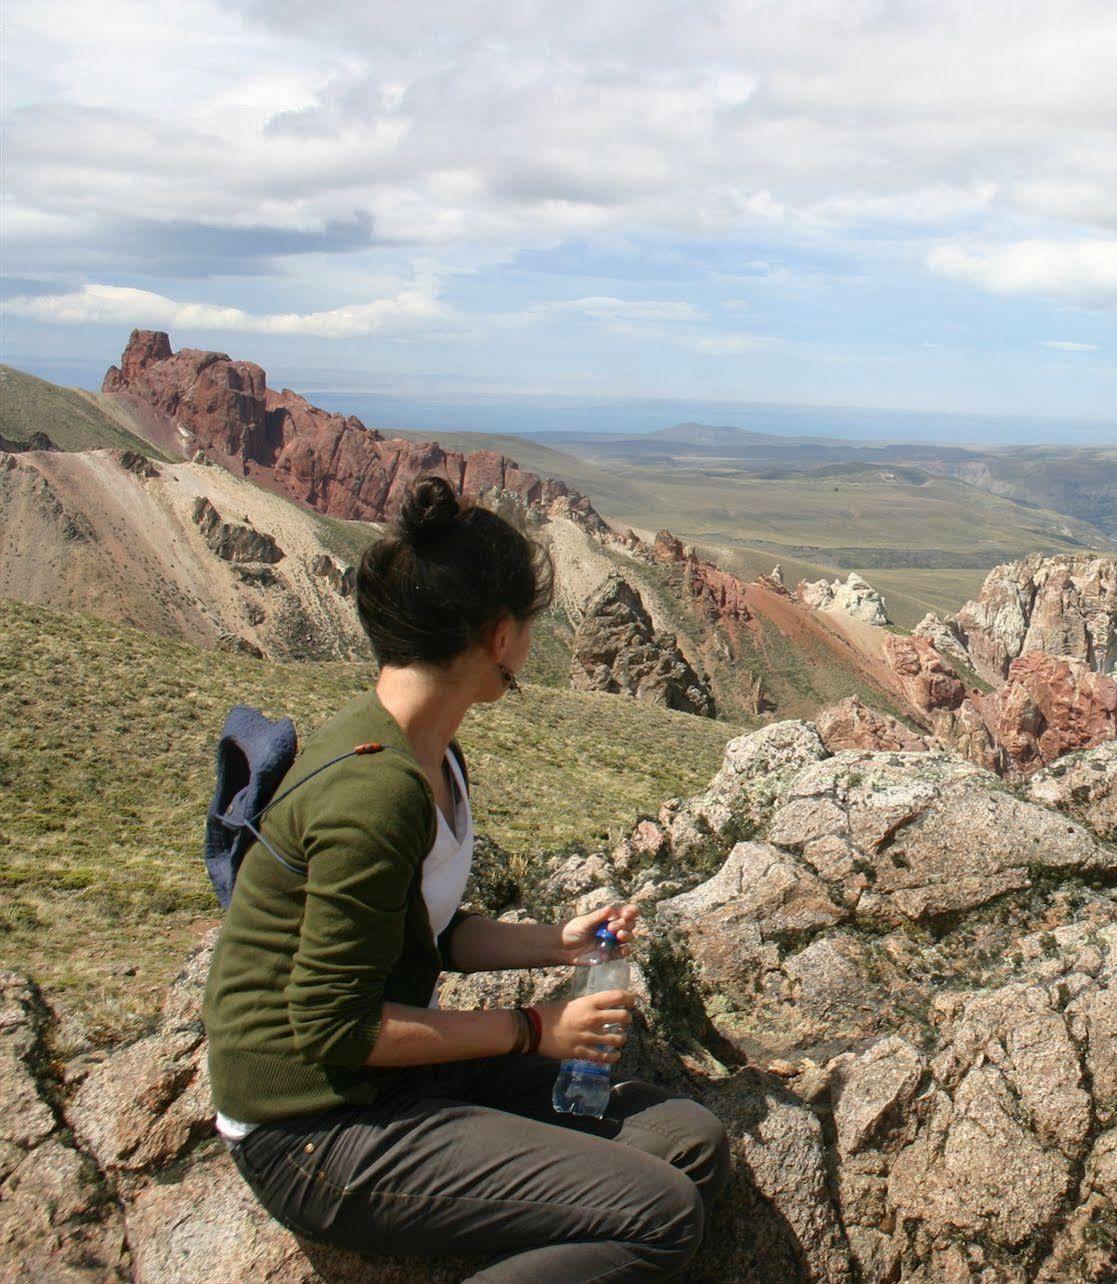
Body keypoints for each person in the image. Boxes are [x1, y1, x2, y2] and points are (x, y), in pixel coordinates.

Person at [203, 475, 729, 1282]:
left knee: (689, 1142)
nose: (528, 647)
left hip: (387, 1083)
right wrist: (532, 1030)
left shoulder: (432, 752)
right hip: (314, 1125)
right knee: (660, 1215)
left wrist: (555, 943)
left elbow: (433, 933)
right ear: (496, 634)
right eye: (528, 628)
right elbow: (336, 1031)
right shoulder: (374, 791)